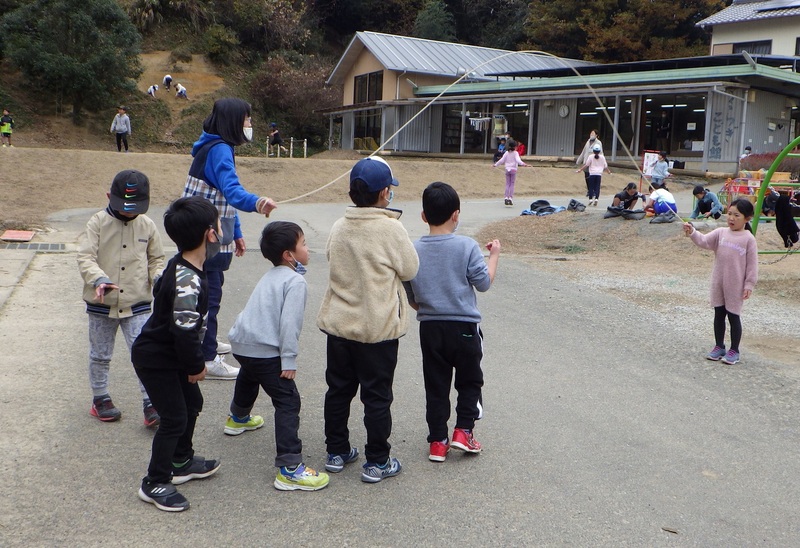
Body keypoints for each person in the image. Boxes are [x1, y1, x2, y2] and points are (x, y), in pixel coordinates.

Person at [317, 156, 419, 484]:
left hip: (340, 325)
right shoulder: (391, 228)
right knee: (376, 396)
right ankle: (377, 461)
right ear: (384, 193)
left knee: (338, 390)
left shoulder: (339, 226)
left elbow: (332, 256)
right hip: (378, 330)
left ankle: (337, 450)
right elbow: (410, 269)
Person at [132, 196, 223, 512]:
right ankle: (155, 481)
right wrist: (196, 365)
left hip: (172, 354)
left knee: (192, 403)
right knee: (173, 417)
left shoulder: (188, 265)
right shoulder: (187, 280)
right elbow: (184, 331)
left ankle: (182, 461)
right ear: (210, 234)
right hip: (157, 358)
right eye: (219, 225)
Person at [224, 221, 330, 491]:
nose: (307, 248)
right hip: (265, 349)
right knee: (287, 400)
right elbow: (289, 325)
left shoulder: (271, 274)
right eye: (304, 244)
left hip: (242, 343)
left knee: (249, 376)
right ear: (288, 255)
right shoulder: (295, 281)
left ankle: (238, 418)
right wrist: (289, 360)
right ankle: (290, 467)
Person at [181, 97, 278, 380]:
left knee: (207, 292)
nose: (249, 125)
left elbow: (220, 196)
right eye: (246, 119)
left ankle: (206, 341)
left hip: (201, 231)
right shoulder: (221, 150)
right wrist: (258, 203)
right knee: (209, 297)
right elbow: (232, 190)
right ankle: (208, 357)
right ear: (233, 121)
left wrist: (236, 233)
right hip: (205, 237)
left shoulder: (210, 143)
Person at [404, 182, 501, 462]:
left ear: (424, 216)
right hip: (464, 328)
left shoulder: (414, 249)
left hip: (431, 328)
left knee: (436, 385)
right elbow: (483, 283)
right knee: (470, 381)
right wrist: (493, 255)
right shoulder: (467, 246)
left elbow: (411, 295)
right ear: (456, 215)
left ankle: (437, 441)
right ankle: (463, 432)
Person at [76, 170, 165, 426]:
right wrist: (99, 279)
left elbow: (156, 259)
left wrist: (158, 277)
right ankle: (100, 398)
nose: (129, 212)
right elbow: (85, 257)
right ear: (108, 197)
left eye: (135, 208)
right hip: (102, 302)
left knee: (145, 354)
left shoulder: (147, 225)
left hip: (137, 303)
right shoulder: (97, 222)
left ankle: (151, 402)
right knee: (100, 354)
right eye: (124, 207)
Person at [683, 198, 758, 365]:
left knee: (733, 316)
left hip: (736, 285)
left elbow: (752, 266)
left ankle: (734, 350)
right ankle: (719, 346)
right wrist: (692, 231)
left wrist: (749, 285)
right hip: (718, 282)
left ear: (747, 218)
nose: (731, 218)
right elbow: (703, 241)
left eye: (736, 215)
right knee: (719, 314)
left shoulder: (748, 239)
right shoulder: (721, 233)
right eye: (729, 214)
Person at [493, 138, 530, 206]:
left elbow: (501, 160)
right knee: (512, 184)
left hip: (507, 169)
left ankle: (506, 197)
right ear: (515, 146)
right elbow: (518, 161)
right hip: (513, 170)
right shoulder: (516, 153)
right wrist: (524, 164)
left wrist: (495, 165)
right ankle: (510, 198)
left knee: (507, 184)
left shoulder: (506, 153)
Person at [576, 129, 602, 198]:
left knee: (592, 177)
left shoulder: (598, 143)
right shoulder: (588, 142)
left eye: (593, 134)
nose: (591, 135)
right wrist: (579, 160)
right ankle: (589, 190)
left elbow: (601, 153)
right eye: (591, 133)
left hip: (594, 163)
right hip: (586, 161)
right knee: (587, 176)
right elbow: (584, 151)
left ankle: (593, 191)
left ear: (596, 135)